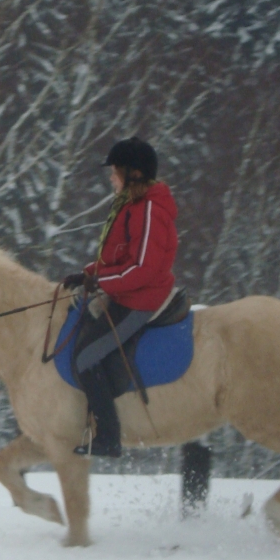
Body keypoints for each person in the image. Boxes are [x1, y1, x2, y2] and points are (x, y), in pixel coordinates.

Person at [61, 137, 178, 458]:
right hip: (125, 291)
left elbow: (142, 269)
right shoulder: (132, 206)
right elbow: (119, 258)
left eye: (115, 172)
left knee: (85, 357)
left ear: (134, 175)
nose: (111, 178)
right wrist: (88, 272)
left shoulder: (150, 210)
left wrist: (99, 280)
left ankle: (108, 438)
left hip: (141, 299)